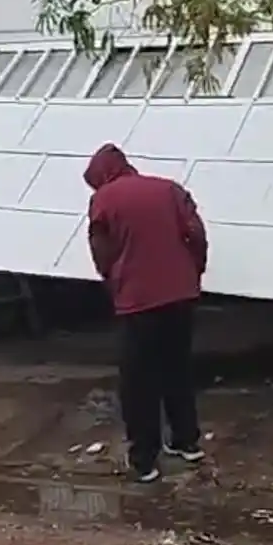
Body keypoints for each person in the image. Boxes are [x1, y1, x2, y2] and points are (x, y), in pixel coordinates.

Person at [85, 142, 209, 484]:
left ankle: (144, 460)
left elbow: (101, 250)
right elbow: (196, 234)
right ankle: (187, 441)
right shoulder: (169, 189)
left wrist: (113, 280)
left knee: (139, 382)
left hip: (138, 300)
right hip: (181, 294)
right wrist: (192, 271)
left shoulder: (104, 200)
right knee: (177, 367)